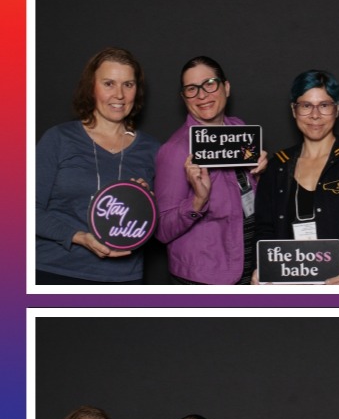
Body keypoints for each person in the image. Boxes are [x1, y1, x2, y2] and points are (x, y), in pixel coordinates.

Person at [36, 46, 159, 283]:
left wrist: (146, 204)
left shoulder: (152, 149)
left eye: (128, 84)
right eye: (109, 84)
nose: (119, 95)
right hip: (56, 271)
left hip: (123, 278)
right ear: (91, 87)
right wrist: (78, 236)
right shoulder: (59, 139)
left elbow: (160, 226)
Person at [254, 69, 339, 284]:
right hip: (291, 286)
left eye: (324, 105)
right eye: (306, 105)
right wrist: (264, 268)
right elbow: (264, 230)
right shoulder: (277, 165)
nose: (315, 115)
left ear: (337, 109)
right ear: (294, 110)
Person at [155, 54, 267, 284]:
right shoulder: (175, 150)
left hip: (249, 271)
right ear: (184, 98)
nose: (202, 95)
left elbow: (248, 197)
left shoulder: (240, 129)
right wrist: (198, 201)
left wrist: (261, 173)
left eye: (209, 84)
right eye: (192, 89)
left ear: (226, 87)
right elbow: (162, 230)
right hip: (203, 279)